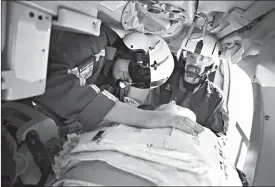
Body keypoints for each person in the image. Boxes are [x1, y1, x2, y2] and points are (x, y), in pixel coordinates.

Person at [32, 23, 203, 134]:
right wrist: (151, 119)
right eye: (140, 74)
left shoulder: (109, 68)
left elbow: (107, 98)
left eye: (140, 82)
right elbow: (50, 84)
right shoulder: (94, 39)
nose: (130, 80)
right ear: (134, 51)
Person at [149, 33, 230, 136]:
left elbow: (218, 136)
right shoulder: (164, 78)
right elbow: (146, 110)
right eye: (191, 56)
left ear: (210, 64)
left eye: (202, 59)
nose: (195, 63)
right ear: (184, 57)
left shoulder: (216, 98)